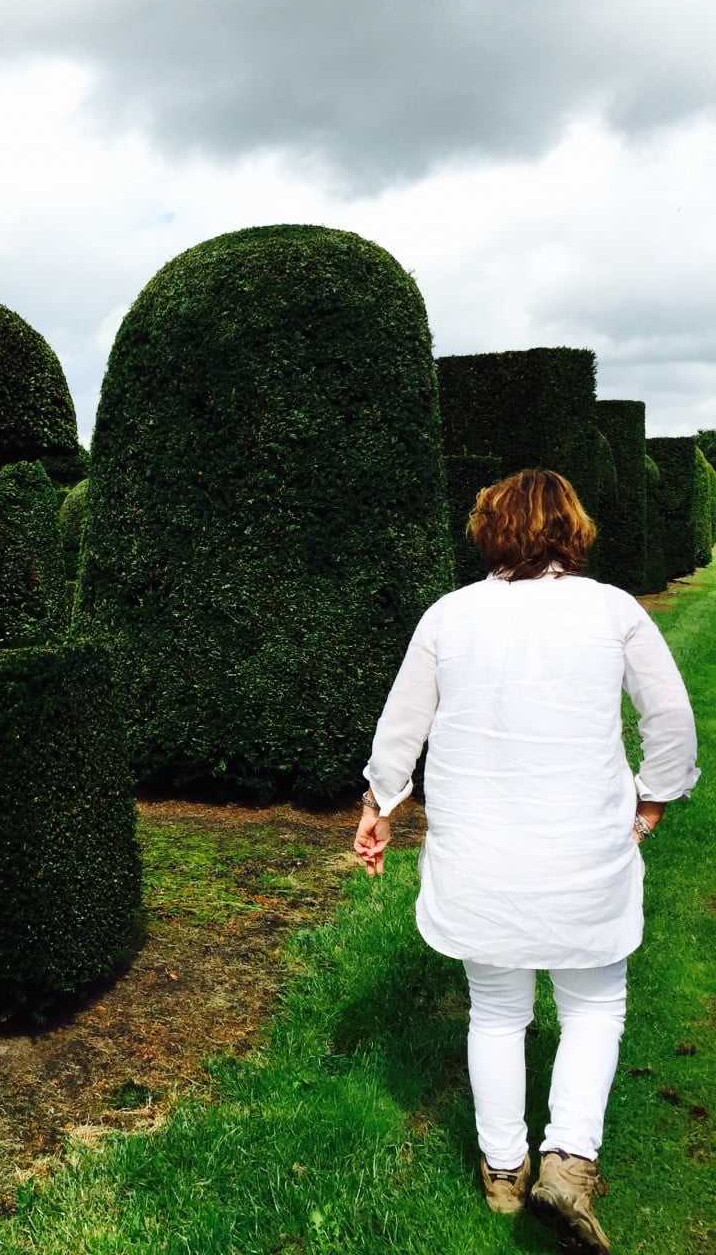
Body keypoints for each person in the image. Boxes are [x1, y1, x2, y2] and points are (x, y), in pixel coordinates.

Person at [354, 469, 699, 1253]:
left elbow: (402, 725)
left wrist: (379, 804)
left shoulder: (449, 616)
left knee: (499, 1011)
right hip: (585, 849)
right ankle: (568, 1164)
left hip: (481, 856)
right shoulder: (613, 611)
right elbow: (670, 719)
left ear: (488, 530)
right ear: (572, 531)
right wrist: (652, 800)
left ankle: (504, 1172)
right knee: (593, 1006)